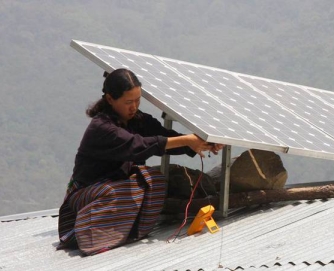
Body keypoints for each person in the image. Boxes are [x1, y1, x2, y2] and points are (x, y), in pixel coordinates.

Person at [57, 68, 223, 255]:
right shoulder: (102, 128)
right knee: (115, 192)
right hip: (87, 194)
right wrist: (187, 140)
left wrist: (201, 143)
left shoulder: (137, 120)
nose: (134, 107)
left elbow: (165, 138)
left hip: (116, 186)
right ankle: (90, 237)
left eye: (137, 100)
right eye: (128, 102)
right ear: (110, 99)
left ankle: (129, 232)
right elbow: (138, 146)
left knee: (155, 180)